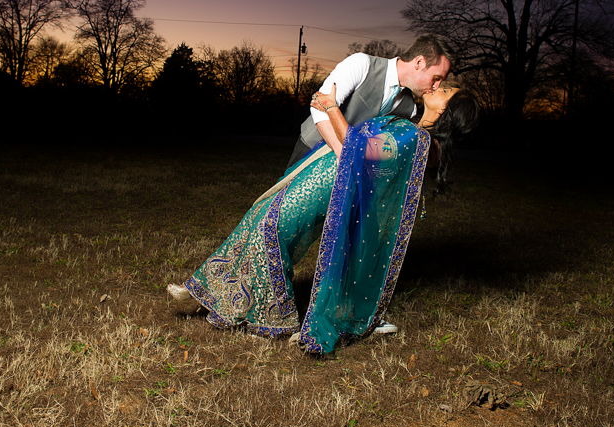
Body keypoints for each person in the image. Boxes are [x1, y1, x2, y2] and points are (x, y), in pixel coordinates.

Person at [168, 83, 479, 354]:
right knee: (258, 215)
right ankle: (207, 292)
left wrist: (331, 107)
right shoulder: (412, 128)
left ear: (449, 112)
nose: (439, 87)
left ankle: (272, 317)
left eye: (447, 91)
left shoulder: (418, 140)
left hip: (332, 184)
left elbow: (363, 152)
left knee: (270, 227)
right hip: (324, 169)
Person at [287, 35, 454, 168]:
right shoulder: (362, 64)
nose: (436, 86)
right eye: (436, 78)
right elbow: (319, 106)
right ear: (419, 62)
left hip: (352, 169)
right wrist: (342, 154)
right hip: (310, 149)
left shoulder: (410, 109)